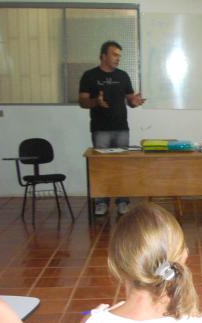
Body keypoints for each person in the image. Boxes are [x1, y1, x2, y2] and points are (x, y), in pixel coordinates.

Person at [79, 41, 145, 217]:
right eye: (114, 55)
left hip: (121, 129)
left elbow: (130, 100)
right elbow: (82, 101)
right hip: (100, 129)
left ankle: (122, 201)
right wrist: (96, 102)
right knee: (102, 167)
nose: (118, 59)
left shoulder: (123, 76)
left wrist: (134, 102)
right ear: (103, 56)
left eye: (119, 55)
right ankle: (101, 202)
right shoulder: (89, 76)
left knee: (121, 167)